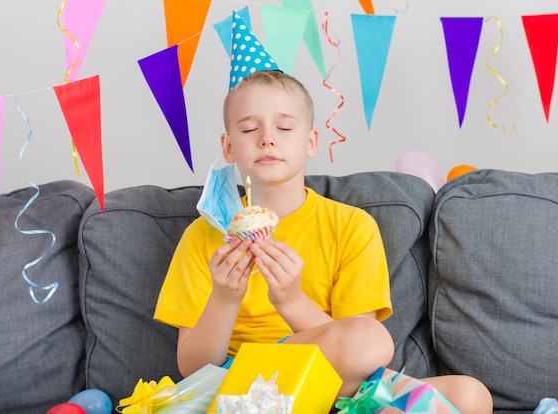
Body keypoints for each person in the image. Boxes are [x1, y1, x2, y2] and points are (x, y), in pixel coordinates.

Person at [154, 70, 493, 413]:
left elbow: (359, 355)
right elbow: (194, 368)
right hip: (245, 387)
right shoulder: (205, 234)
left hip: (338, 385)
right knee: (371, 341)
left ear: (311, 141)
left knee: (470, 396)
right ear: (229, 146)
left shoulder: (352, 226)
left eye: (284, 128)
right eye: (248, 129)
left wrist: (289, 299)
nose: (267, 139)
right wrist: (225, 298)